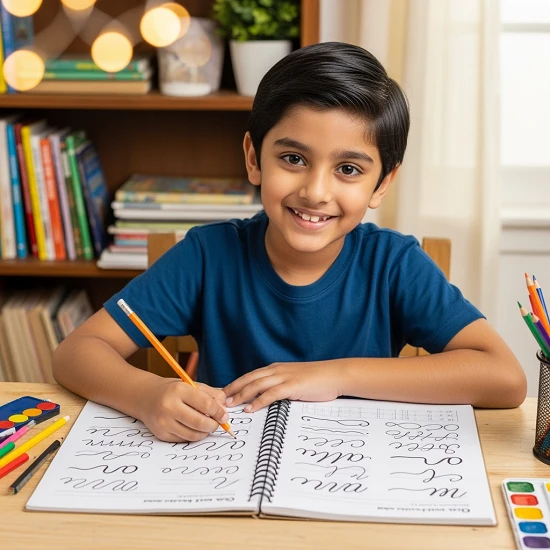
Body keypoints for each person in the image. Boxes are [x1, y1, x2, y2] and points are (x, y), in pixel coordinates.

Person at [53, 42, 527, 443]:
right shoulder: (207, 256)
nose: (316, 192)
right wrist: (145, 395)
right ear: (254, 158)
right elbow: (76, 353)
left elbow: (505, 378)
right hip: (224, 474)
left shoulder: (393, 263)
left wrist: (336, 374)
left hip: (357, 473)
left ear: (382, 184)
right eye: (294, 158)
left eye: (348, 169)